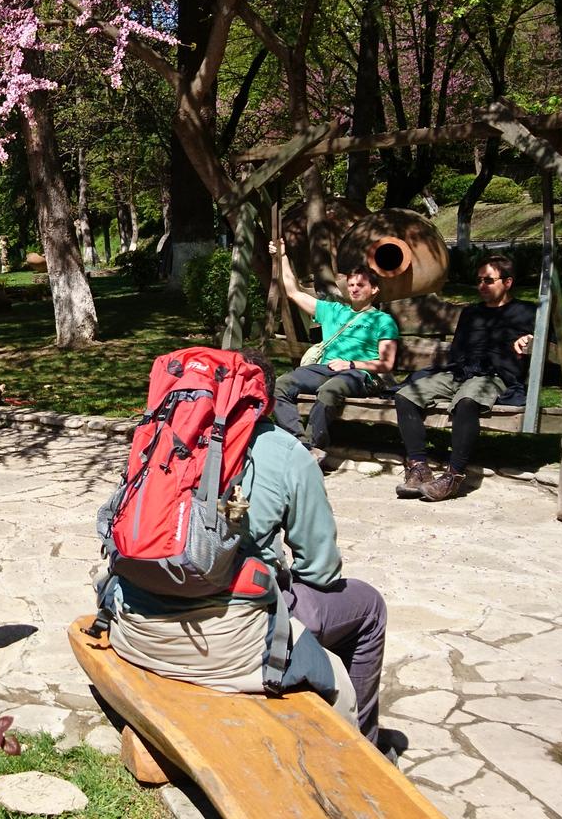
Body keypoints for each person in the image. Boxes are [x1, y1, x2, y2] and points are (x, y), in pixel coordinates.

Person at [101, 349, 393, 750]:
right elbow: (320, 570)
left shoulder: (164, 439)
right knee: (368, 606)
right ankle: (364, 746)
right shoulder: (287, 452)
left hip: (137, 627)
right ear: (266, 401)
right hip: (228, 643)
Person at [394, 254, 538, 503]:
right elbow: (457, 350)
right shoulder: (471, 312)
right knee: (405, 395)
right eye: (479, 280)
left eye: (488, 280)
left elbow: (552, 343)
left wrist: (531, 339)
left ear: (508, 282)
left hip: (495, 374)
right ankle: (418, 467)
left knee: (467, 401)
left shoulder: (527, 311)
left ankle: (453, 475)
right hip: (460, 372)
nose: (481, 285)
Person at [269, 240, 400, 466]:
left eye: (360, 285)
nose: (354, 289)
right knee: (281, 384)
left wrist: (351, 365)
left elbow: (386, 363)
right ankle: (302, 445)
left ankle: (314, 446)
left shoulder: (383, 321)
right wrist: (282, 257)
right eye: (351, 285)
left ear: (374, 289)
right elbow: (293, 292)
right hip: (325, 368)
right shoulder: (333, 311)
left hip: (358, 375)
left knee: (329, 390)